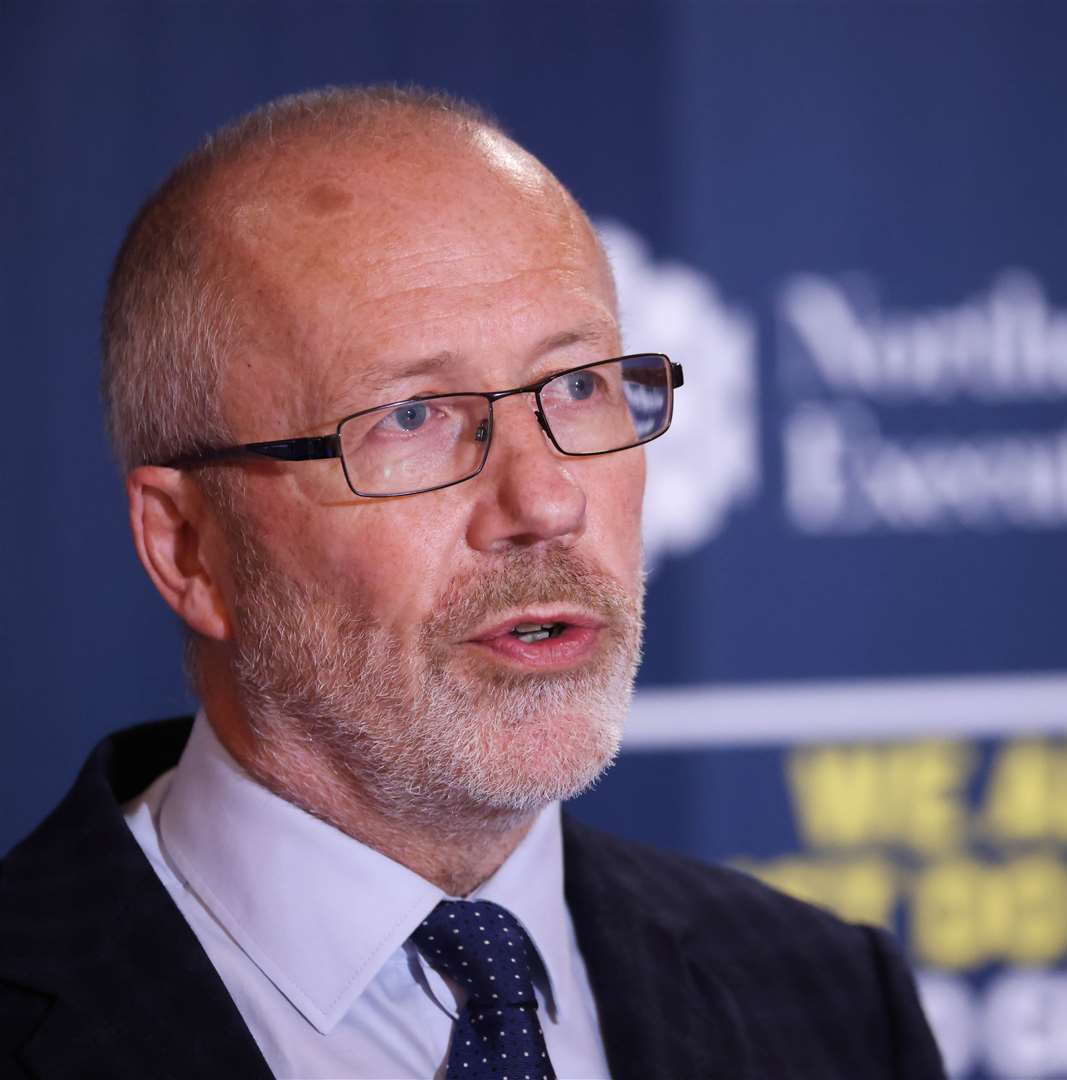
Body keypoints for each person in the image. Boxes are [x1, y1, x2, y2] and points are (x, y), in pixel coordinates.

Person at [0, 85, 944, 1080]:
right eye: (410, 417)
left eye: (578, 387)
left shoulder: (832, 1005)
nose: (543, 502)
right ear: (188, 547)